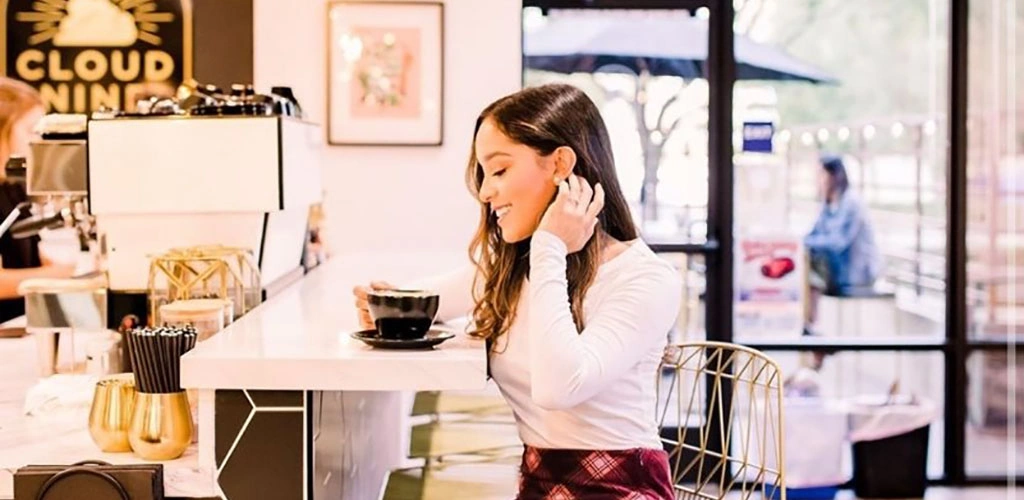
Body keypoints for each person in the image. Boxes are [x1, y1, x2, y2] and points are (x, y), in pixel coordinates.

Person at [353, 84, 681, 498]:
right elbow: (426, 301)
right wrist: (385, 308)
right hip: (539, 485)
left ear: (561, 163)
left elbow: (559, 387)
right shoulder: (511, 266)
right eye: (483, 174)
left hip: (620, 487)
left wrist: (550, 246)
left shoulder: (645, 278)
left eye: (500, 170)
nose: (485, 191)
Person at [0, 77, 75, 324]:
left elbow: (28, 254)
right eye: (31, 131)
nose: (38, 141)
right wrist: (58, 275)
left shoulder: (13, 187)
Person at [803, 155, 881, 336]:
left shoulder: (851, 204)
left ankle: (812, 327)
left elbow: (837, 243)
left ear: (833, 176)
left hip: (854, 272)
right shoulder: (828, 204)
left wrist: (806, 243)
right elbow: (813, 235)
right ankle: (810, 326)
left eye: (820, 175)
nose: (817, 181)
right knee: (803, 264)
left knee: (812, 269)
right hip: (836, 271)